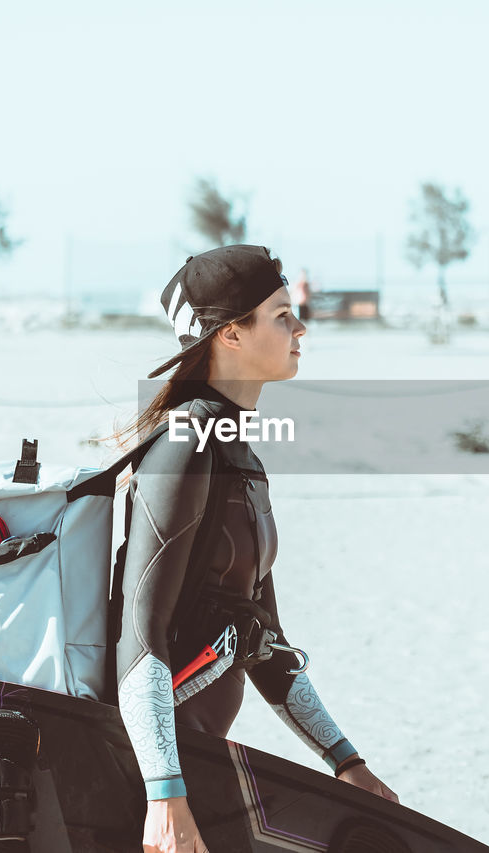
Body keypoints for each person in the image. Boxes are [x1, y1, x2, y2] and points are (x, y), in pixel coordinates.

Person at [113, 245, 397, 853]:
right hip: (144, 781)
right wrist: (165, 798)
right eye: (280, 314)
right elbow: (141, 637)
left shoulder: (237, 453)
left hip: (197, 766)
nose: (300, 328)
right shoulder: (183, 452)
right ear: (231, 335)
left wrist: (344, 760)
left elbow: (262, 638)